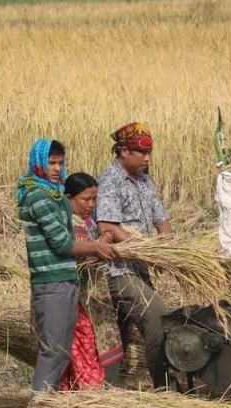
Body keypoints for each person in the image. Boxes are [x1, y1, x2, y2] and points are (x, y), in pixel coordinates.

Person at [18, 139, 115, 393]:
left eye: (60, 163)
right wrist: (97, 248)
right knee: (54, 350)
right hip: (51, 282)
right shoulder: (37, 197)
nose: (57, 168)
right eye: (51, 162)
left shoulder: (55, 194)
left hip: (65, 278)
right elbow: (62, 243)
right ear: (39, 163)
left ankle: (51, 407)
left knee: (62, 350)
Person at [95, 122, 174, 389]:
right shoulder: (110, 181)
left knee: (121, 331)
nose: (148, 158)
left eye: (150, 152)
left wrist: (166, 243)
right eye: (142, 153)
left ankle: (112, 389)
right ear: (123, 152)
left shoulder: (144, 180)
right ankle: (163, 386)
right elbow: (107, 227)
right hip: (118, 270)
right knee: (156, 316)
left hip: (140, 268)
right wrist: (146, 247)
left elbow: (161, 219)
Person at [59, 172, 123, 391]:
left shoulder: (83, 223)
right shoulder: (68, 223)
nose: (91, 205)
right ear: (69, 198)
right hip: (77, 303)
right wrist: (103, 243)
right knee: (82, 351)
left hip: (86, 302)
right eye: (85, 199)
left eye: (94, 200)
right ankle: (89, 399)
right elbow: (82, 255)